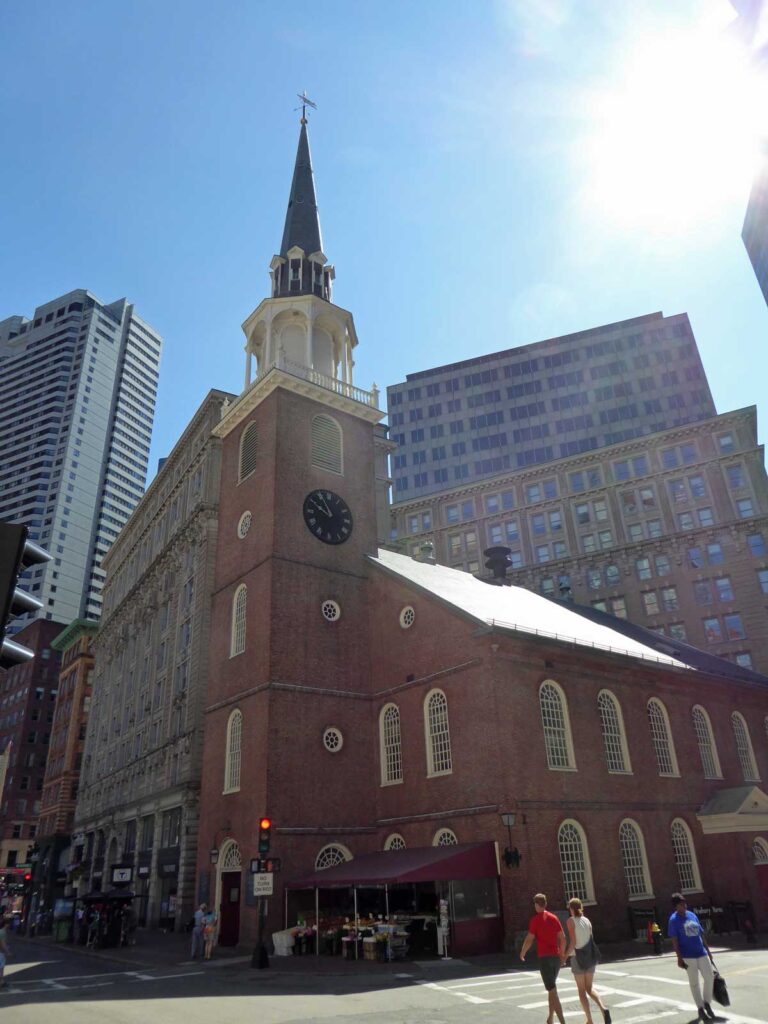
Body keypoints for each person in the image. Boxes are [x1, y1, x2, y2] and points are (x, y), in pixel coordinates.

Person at [519, 893, 567, 1024]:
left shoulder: (535, 920)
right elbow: (563, 939)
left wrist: (523, 952)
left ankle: (562, 1021)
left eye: (534, 903)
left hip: (544, 958)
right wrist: (562, 955)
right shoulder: (554, 918)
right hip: (556, 957)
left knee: (552, 990)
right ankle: (550, 1018)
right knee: (551, 989)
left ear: (536, 905)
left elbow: (529, 939)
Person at [668, 893, 716, 1021]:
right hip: (688, 956)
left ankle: (707, 1002)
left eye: (685, 903)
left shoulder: (692, 915)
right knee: (694, 983)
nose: (684, 905)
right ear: (676, 906)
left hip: (701, 952)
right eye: (681, 904)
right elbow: (675, 941)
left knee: (709, 977)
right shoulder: (674, 920)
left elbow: (701, 934)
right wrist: (679, 958)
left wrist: (708, 951)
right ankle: (700, 1008)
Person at [563, 897, 611, 1024]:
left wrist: (564, 956)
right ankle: (603, 1008)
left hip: (577, 957)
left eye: (569, 907)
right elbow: (591, 940)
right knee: (590, 988)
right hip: (590, 957)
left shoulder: (570, 921)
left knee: (581, 990)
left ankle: (589, 1019)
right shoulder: (587, 921)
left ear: (571, 908)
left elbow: (573, 942)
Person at [0, 912, 9, 989]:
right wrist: (7, 952)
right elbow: (2, 944)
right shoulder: (2, 932)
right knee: (1, 968)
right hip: (0, 953)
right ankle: (1, 982)